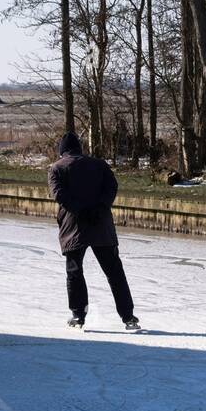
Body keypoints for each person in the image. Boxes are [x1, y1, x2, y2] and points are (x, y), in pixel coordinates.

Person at [47, 131, 140, 330]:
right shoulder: (100, 165)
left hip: (74, 226)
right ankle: (128, 316)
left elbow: (59, 195)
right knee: (114, 272)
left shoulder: (56, 168)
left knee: (74, 272)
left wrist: (80, 211)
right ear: (80, 149)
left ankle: (78, 315)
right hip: (101, 225)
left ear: (62, 151)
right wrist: (100, 208)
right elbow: (112, 187)